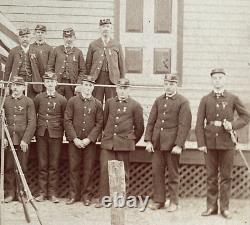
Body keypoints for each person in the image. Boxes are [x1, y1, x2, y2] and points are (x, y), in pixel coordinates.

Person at [195, 68, 250, 219]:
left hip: (227, 143)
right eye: (215, 78)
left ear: (224, 79)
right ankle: (211, 207)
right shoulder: (205, 99)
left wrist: (232, 125)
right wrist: (201, 143)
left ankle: (225, 208)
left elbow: (246, 117)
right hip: (210, 143)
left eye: (220, 77)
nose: (217, 80)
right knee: (211, 176)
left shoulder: (232, 98)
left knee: (226, 176)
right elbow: (199, 123)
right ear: (211, 80)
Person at [144, 74, 192, 212]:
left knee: (173, 174)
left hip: (172, 146)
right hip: (157, 144)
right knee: (157, 172)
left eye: (171, 84)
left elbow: (184, 126)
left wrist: (179, 145)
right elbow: (151, 122)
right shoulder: (158, 100)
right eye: (166, 83)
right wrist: (148, 141)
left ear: (176, 85)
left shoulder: (183, 102)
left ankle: (174, 202)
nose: (168, 86)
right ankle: (159, 200)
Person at [95, 78, 144, 208]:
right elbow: (105, 122)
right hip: (108, 143)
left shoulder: (135, 105)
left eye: (125, 89)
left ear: (129, 90)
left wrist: (130, 140)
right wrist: (107, 137)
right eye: (120, 88)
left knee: (123, 172)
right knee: (105, 170)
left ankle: (121, 198)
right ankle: (104, 198)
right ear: (116, 89)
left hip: (124, 144)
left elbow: (139, 128)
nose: (122, 91)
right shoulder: (110, 103)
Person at [64, 75, 103, 205]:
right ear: (82, 86)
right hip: (74, 141)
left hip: (89, 143)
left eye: (90, 85)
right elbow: (67, 120)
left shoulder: (97, 104)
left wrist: (89, 139)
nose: (87, 88)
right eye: (85, 85)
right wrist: (74, 138)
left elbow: (99, 124)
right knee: (73, 168)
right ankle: (73, 195)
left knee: (88, 169)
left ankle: (86, 196)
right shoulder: (72, 101)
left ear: (93, 87)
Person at [1, 76, 36, 203]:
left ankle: (21, 193)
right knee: (9, 167)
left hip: (22, 141)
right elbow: (1, 120)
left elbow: (32, 122)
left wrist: (25, 140)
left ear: (23, 87)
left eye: (18, 85)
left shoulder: (28, 102)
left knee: (22, 167)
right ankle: (10, 193)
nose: (15, 88)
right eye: (13, 85)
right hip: (9, 140)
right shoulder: (5, 101)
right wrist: (3, 138)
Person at [34, 72, 67, 203]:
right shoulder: (38, 98)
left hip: (56, 135)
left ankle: (53, 193)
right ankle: (42, 193)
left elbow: (65, 118)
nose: (49, 84)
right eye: (47, 81)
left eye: (52, 81)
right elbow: (34, 115)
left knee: (54, 164)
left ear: (56, 83)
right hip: (41, 134)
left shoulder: (62, 100)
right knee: (42, 163)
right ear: (44, 83)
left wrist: (63, 134)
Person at [86, 19, 125, 104]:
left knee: (111, 103)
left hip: (112, 79)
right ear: (99, 29)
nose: (105, 29)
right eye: (103, 27)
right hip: (97, 78)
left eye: (108, 27)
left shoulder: (117, 45)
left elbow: (121, 65)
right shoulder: (93, 45)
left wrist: (122, 81)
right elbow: (88, 64)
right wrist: (88, 80)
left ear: (111, 29)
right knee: (96, 103)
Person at [4, 28, 44, 99]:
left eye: (27, 37)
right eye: (22, 37)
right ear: (19, 39)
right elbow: (7, 70)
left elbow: (41, 71)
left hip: (32, 82)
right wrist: (6, 86)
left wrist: (42, 86)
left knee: (31, 102)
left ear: (30, 38)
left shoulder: (36, 51)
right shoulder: (13, 51)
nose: (25, 39)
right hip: (17, 82)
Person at [47, 28, 86, 100]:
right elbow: (50, 67)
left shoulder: (78, 52)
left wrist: (78, 84)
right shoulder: (56, 50)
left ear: (74, 38)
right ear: (63, 38)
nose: (68, 39)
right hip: (58, 83)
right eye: (66, 37)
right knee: (57, 103)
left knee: (71, 103)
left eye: (70, 37)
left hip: (72, 84)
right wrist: (52, 81)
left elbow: (82, 70)